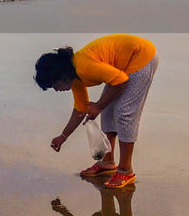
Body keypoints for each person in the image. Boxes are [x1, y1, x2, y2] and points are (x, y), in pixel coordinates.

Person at [34, 34, 158, 189]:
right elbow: (80, 110)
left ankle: (126, 169)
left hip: (141, 57)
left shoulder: (84, 67)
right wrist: (63, 136)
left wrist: (99, 105)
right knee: (107, 112)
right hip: (122, 65)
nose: (56, 89)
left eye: (54, 85)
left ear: (62, 75)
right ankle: (107, 162)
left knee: (124, 113)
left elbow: (121, 80)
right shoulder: (75, 78)